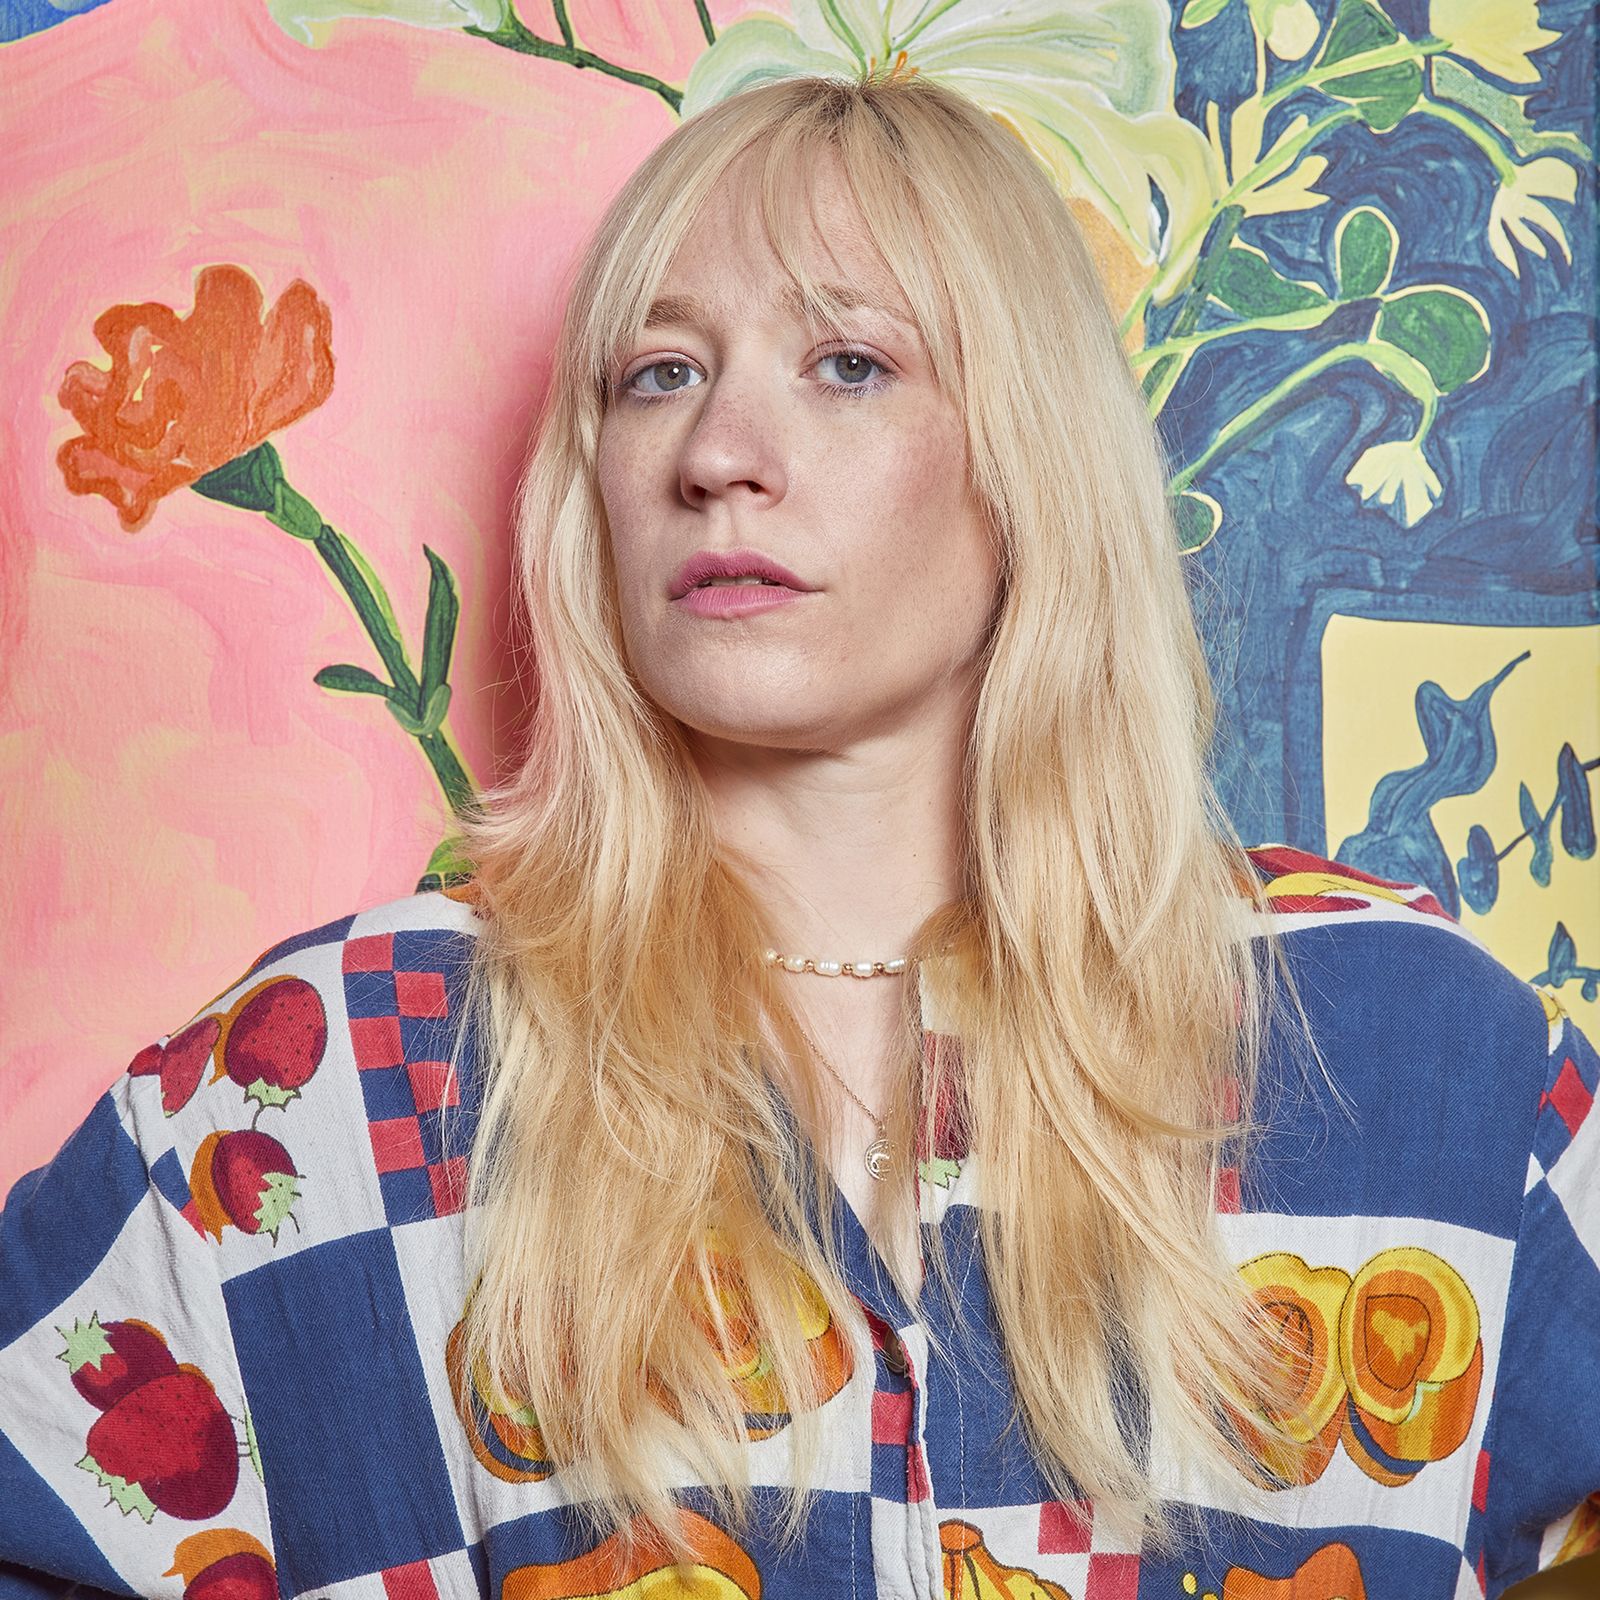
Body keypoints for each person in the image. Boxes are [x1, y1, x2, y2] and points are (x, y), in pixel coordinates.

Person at [2, 67, 1596, 1600]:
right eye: (659, 375)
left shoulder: (1419, 1050)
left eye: (848, 364)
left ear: (1023, 459)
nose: (716, 458)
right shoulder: (329, 1080)